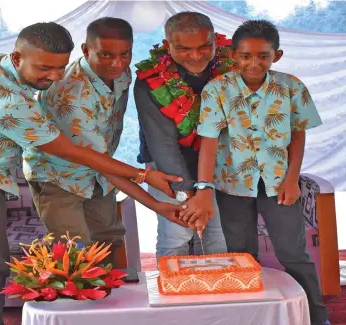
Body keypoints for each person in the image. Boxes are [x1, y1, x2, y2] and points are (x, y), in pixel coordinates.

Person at [0, 22, 182, 325]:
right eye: (46, 68)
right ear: (18, 58)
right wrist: (144, 177)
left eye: (60, 67)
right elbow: (70, 151)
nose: (56, 77)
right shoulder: (4, 95)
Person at [180, 20, 330, 325]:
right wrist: (205, 187)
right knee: (242, 255)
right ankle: (252, 315)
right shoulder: (217, 90)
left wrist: (291, 179)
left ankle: (316, 317)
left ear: (277, 55)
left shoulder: (291, 87)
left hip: (279, 184)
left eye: (263, 55)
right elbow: (208, 143)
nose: (254, 63)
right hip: (231, 186)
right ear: (234, 55)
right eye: (246, 55)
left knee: (294, 254)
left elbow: (298, 134)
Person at [23, 18, 185, 267]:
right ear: (86, 50)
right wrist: (153, 200)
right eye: (106, 55)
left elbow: (101, 163)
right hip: (59, 178)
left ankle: (112, 302)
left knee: (108, 241)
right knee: (74, 255)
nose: (117, 64)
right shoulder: (70, 95)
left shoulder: (121, 73)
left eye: (125, 54)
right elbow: (97, 162)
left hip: (99, 174)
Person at [134, 12, 226, 258]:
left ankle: (221, 291)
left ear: (215, 40)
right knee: (178, 232)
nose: (196, 56)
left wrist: (205, 191)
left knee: (217, 235)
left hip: (217, 161)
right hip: (168, 167)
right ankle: (173, 291)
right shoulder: (149, 81)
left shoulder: (230, 68)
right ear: (167, 45)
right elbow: (162, 144)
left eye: (205, 46)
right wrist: (187, 194)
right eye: (185, 49)